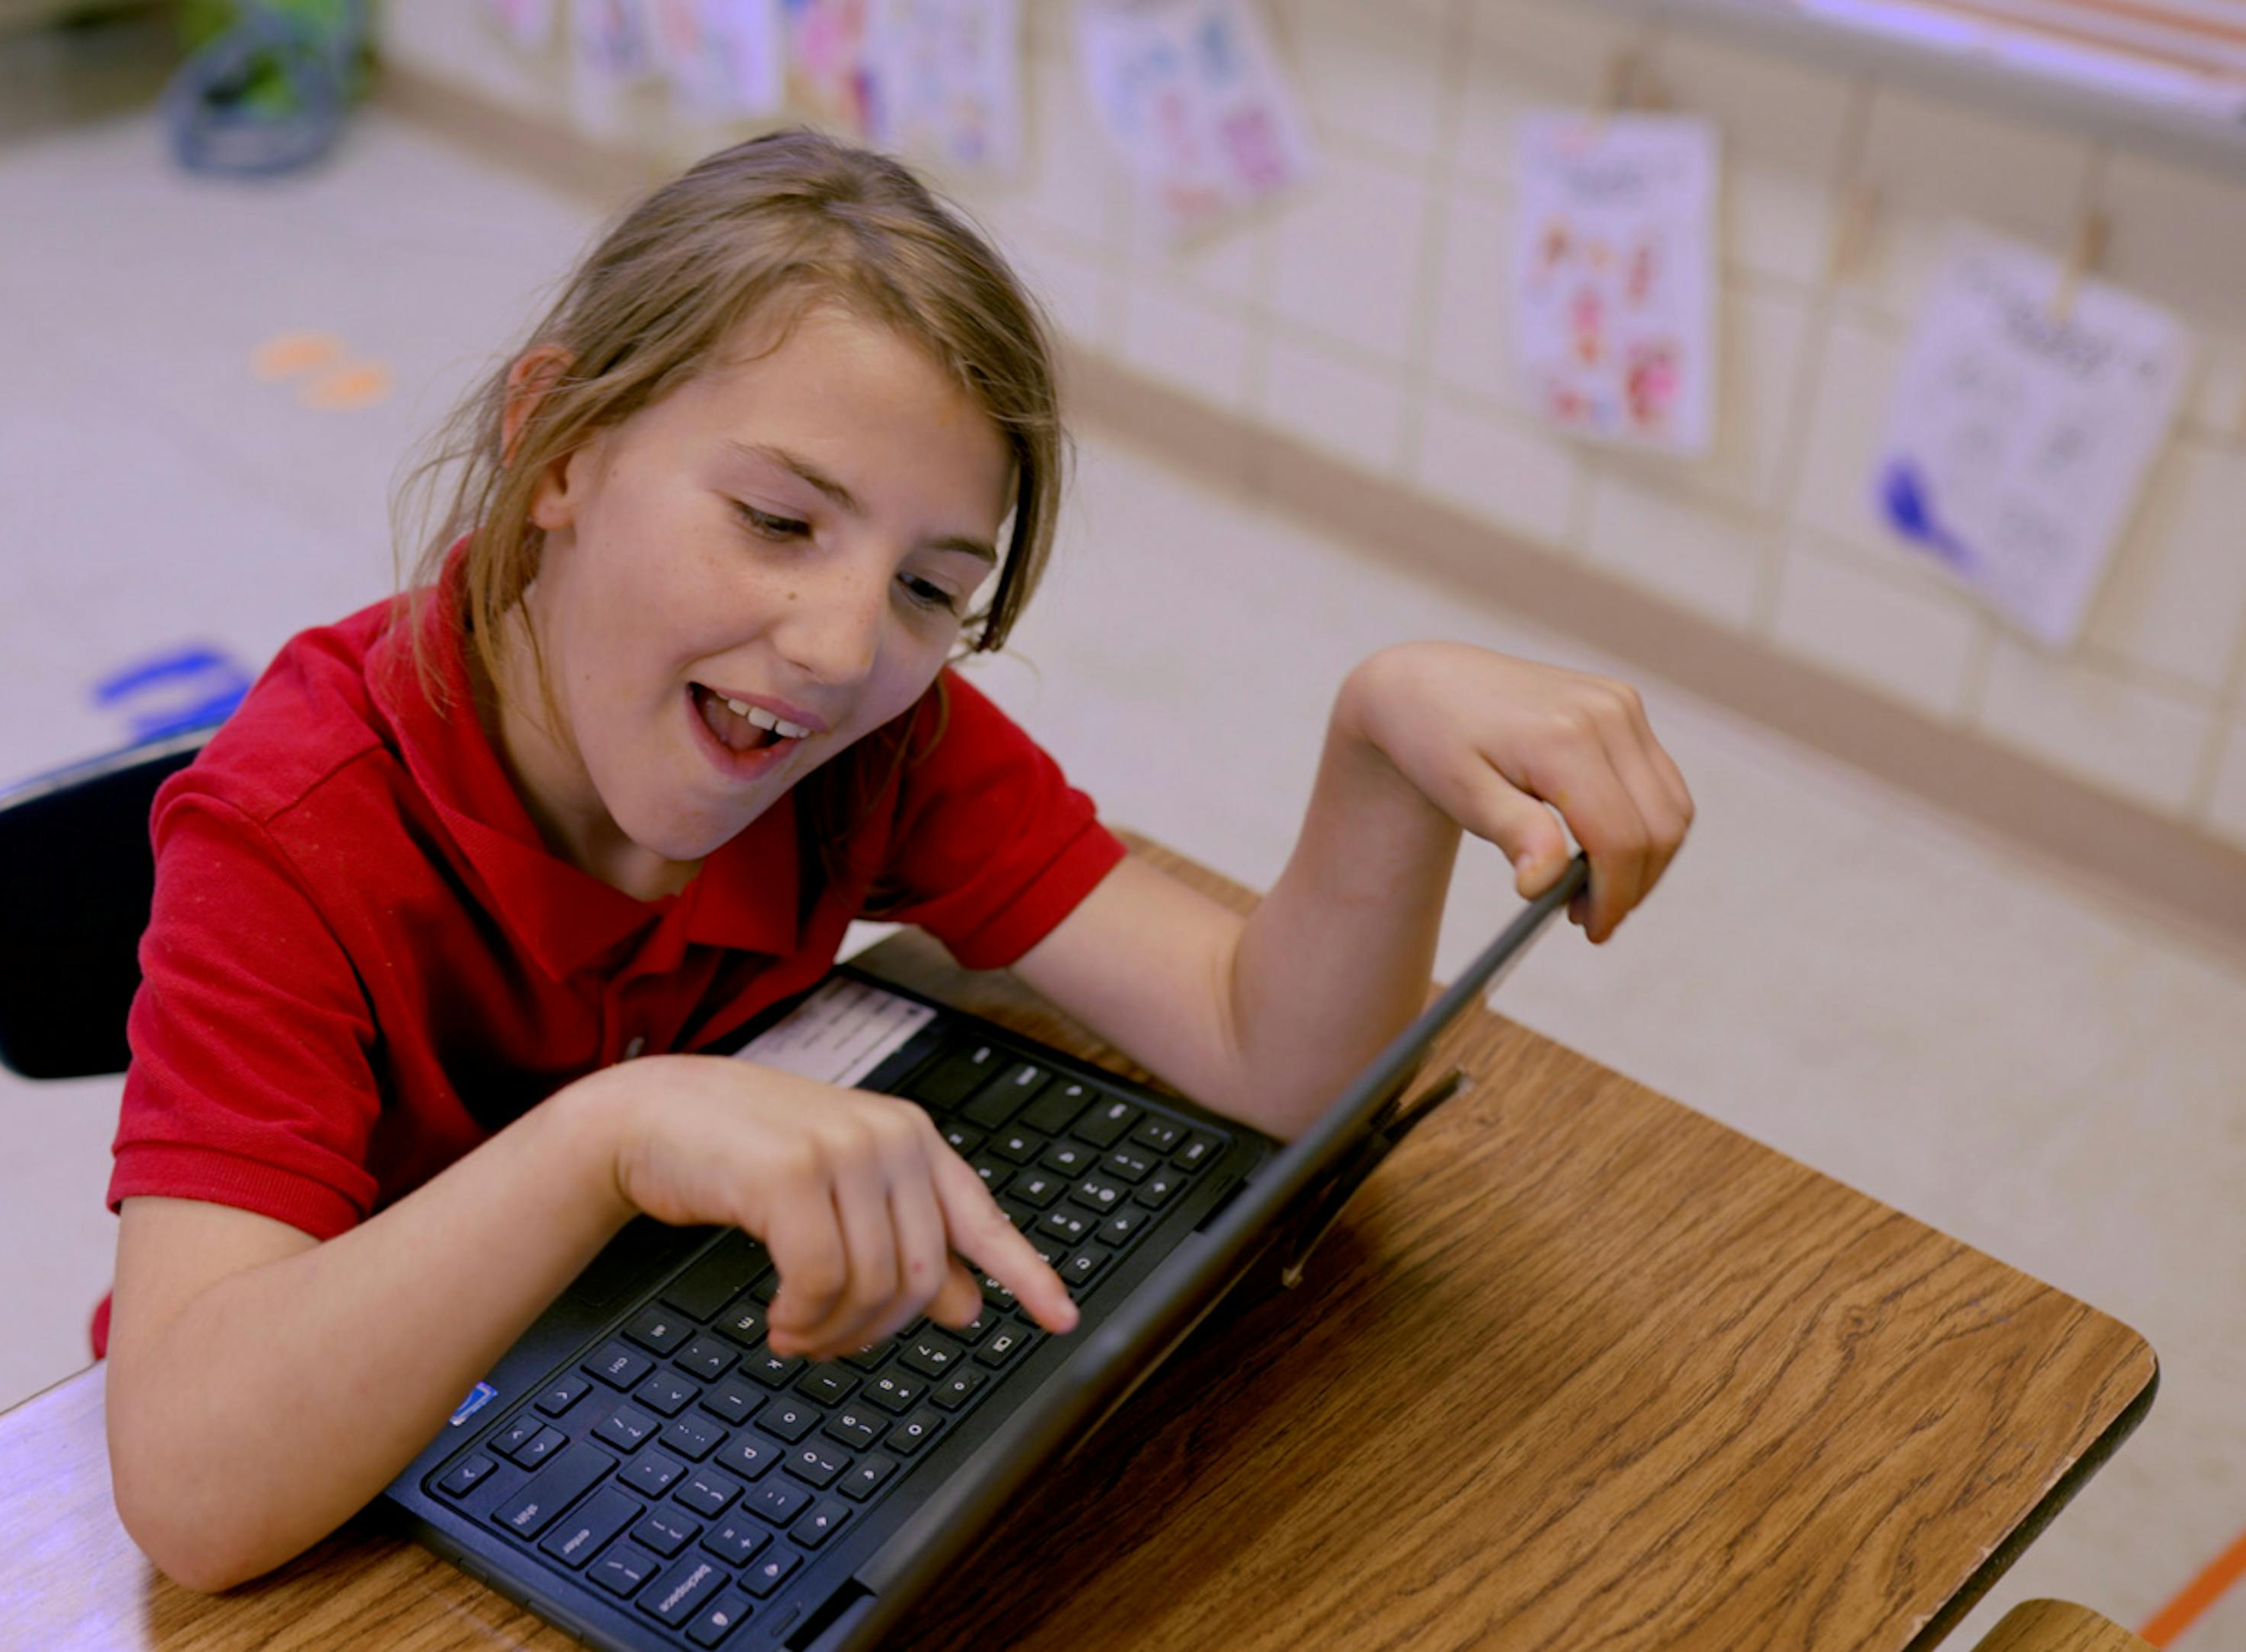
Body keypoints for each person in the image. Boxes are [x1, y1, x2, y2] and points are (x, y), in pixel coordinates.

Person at [100, 129, 1694, 1593]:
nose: (845, 644)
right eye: (781, 522)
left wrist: (1378, 756)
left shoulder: (874, 739)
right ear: (560, 446)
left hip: (663, 1407)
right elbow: (190, 1484)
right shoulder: (287, 831)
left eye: (936, 588)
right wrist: (613, 1134)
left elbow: (1275, 1062)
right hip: (360, 1468)